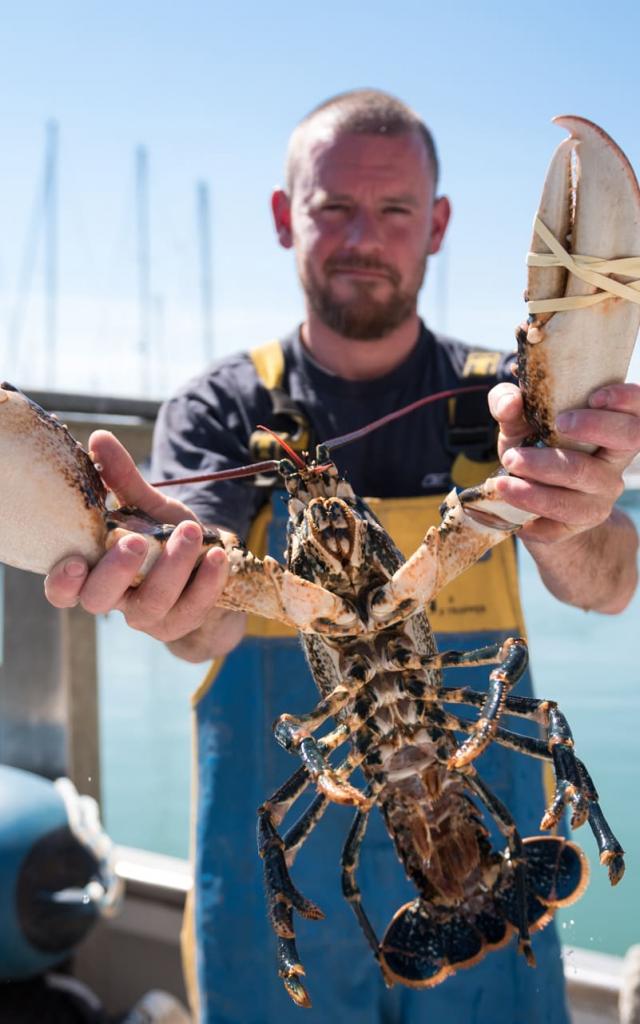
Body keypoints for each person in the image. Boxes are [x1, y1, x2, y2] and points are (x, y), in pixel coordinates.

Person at [45, 90, 640, 1024]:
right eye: (334, 207)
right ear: (287, 217)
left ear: (437, 225)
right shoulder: (219, 409)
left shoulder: (506, 403)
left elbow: (611, 588)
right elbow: (205, 623)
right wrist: (175, 593)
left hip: (494, 838)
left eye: (396, 209)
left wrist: (573, 515)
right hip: (291, 919)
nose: (365, 235)